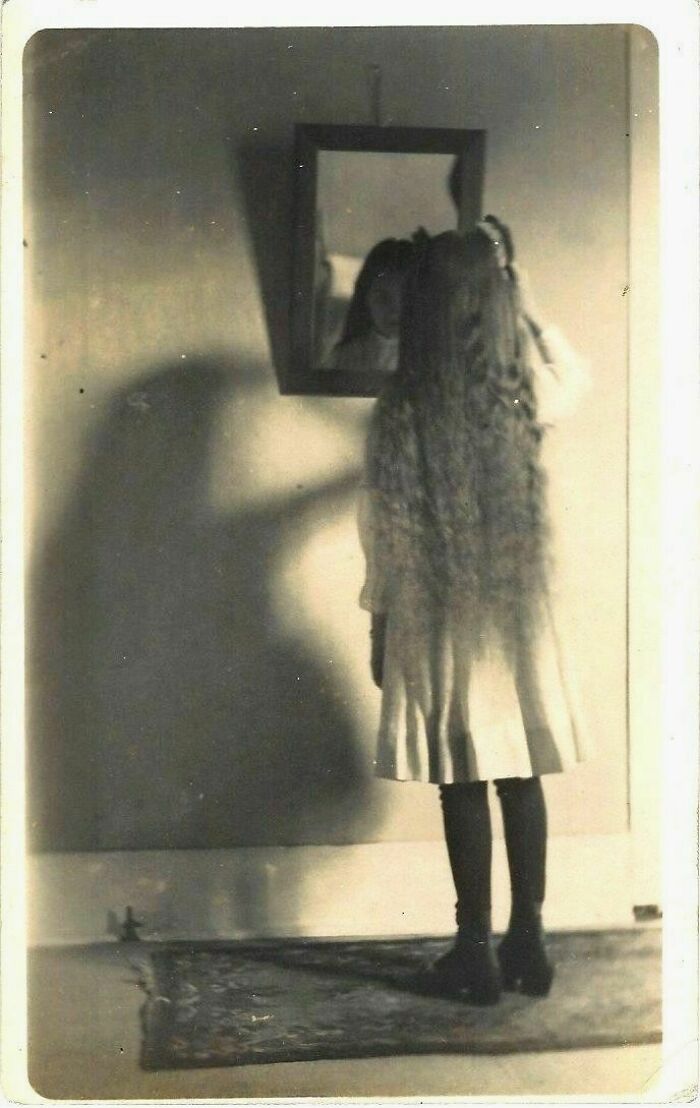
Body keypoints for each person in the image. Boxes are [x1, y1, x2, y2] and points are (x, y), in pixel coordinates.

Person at [358, 218, 591, 1005]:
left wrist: (379, 624)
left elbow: (382, 531)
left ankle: (474, 953)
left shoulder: (404, 404)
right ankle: (529, 941)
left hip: (436, 615)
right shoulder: (518, 393)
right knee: (519, 773)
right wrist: (528, 304)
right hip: (516, 612)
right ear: (494, 305)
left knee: (461, 779)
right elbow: (575, 377)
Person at [326, 237, 415, 375]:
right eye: (382, 298)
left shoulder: (428, 357)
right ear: (365, 299)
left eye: (406, 298)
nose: (395, 310)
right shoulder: (344, 357)